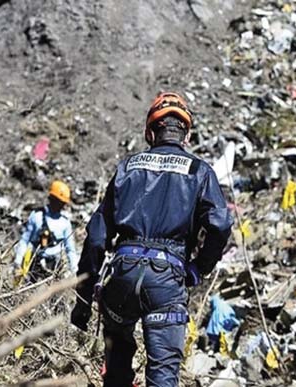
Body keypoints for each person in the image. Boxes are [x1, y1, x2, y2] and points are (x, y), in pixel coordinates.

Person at [70, 92, 233, 387]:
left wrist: (82, 301)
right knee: (162, 375)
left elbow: (96, 237)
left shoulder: (127, 168)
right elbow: (220, 225)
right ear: (186, 134)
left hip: (122, 275)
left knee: (116, 371)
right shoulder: (199, 171)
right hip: (167, 280)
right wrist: (199, 268)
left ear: (150, 131)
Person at [13, 180, 78, 280]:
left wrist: (74, 271)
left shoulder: (65, 223)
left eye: (62, 203)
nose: (59, 205)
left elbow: (70, 249)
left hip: (54, 267)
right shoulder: (36, 216)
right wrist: (18, 262)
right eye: (57, 201)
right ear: (51, 198)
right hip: (34, 263)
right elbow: (24, 240)